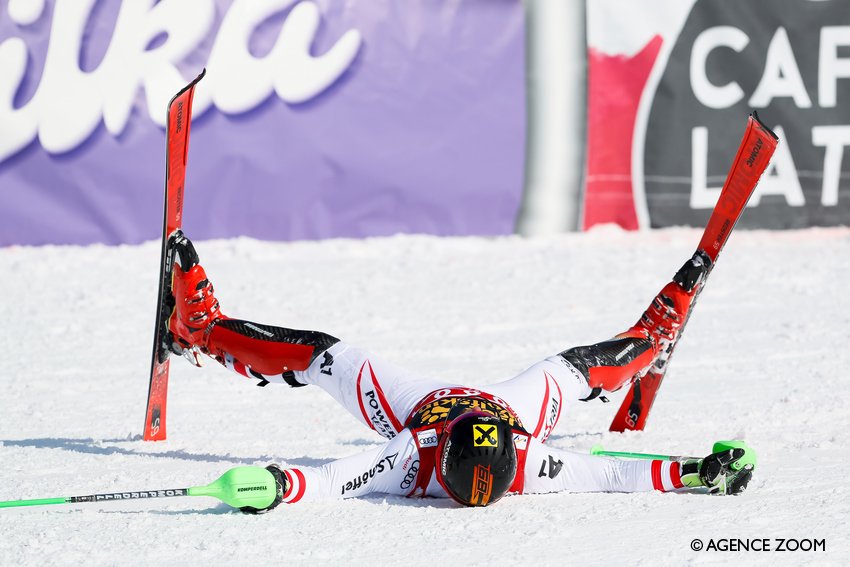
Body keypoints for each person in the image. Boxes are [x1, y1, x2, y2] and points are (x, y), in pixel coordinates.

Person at [165, 232, 754, 513]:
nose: (471, 414)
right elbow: (619, 479)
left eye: (464, 424)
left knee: (328, 355)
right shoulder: (530, 460)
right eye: (478, 421)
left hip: (411, 403)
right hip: (517, 406)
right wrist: (700, 471)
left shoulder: (409, 454)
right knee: (574, 370)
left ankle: (199, 330)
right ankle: (653, 339)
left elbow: (327, 481)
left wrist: (272, 487)